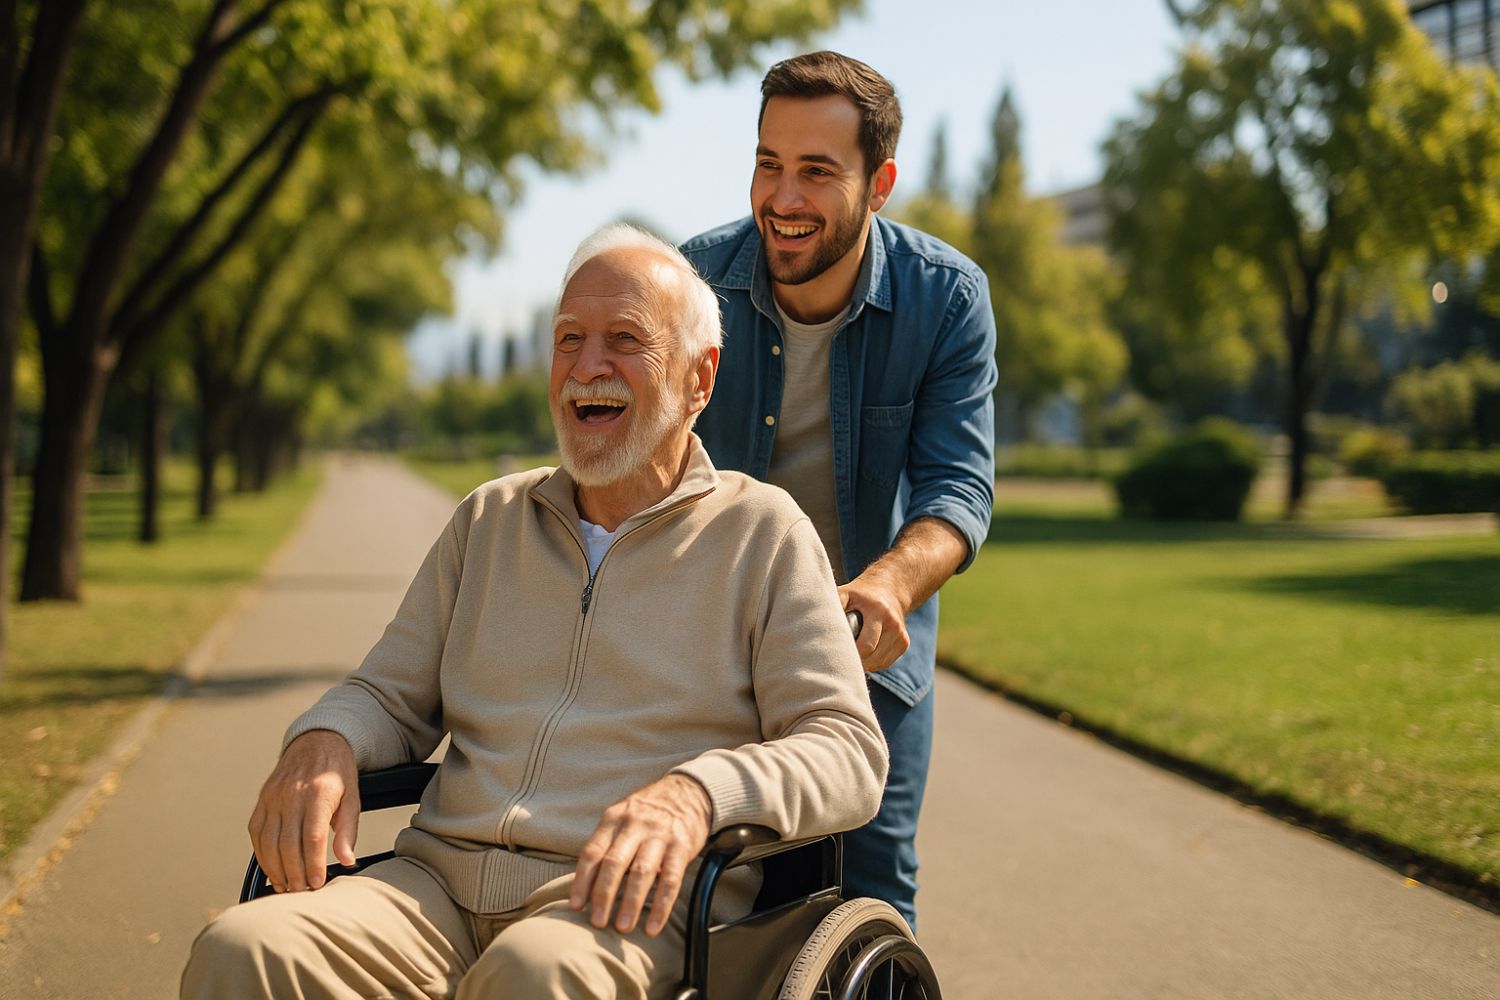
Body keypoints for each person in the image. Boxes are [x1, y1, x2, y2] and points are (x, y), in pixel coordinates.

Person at [179, 224, 889, 1000]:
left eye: (624, 339)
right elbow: (387, 694)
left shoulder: (763, 533)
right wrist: (324, 738)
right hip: (436, 889)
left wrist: (700, 793)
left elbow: (847, 748)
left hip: (621, 904)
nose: (588, 367)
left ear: (698, 378)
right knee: (241, 947)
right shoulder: (488, 521)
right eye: (569, 340)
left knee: (529, 976)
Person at [681, 50, 997, 931]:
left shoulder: (947, 299)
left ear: (880, 182)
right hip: (707, 642)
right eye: (768, 164)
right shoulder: (693, 286)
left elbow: (959, 489)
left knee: (869, 884)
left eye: (817, 172)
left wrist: (891, 583)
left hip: (863, 646)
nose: (783, 198)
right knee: (706, 888)